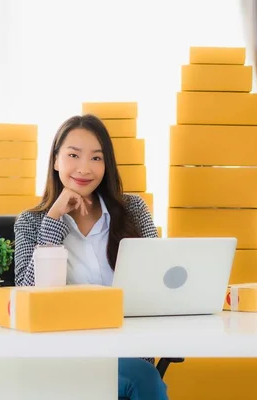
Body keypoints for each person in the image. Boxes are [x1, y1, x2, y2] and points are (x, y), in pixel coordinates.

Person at [14, 114, 168, 400]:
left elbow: (156, 283)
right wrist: (54, 218)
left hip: (127, 352)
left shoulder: (133, 209)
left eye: (96, 158)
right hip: (60, 355)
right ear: (56, 160)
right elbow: (26, 295)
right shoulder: (31, 222)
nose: (85, 168)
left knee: (142, 376)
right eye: (74, 155)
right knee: (144, 380)